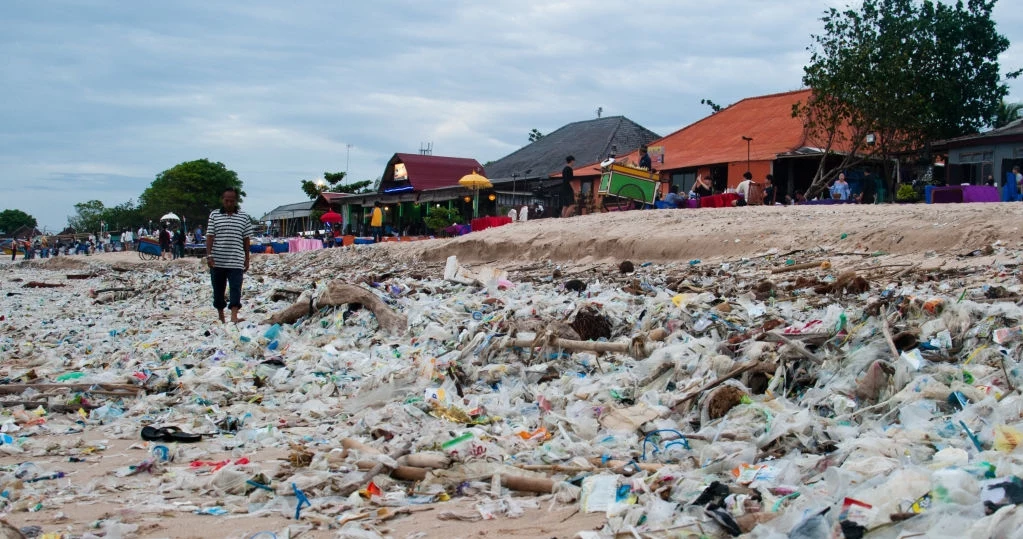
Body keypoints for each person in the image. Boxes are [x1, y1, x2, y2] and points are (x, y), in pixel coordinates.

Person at [206, 187, 252, 324]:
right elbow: (210, 236)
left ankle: (234, 316)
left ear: (236, 201)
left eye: (232, 201)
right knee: (218, 289)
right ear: (222, 200)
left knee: (236, 288)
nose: (229, 204)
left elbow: (246, 239)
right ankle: (221, 316)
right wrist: (209, 255)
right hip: (218, 259)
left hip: (236, 259)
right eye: (226, 201)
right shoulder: (214, 215)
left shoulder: (244, 217)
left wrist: (247, 258)